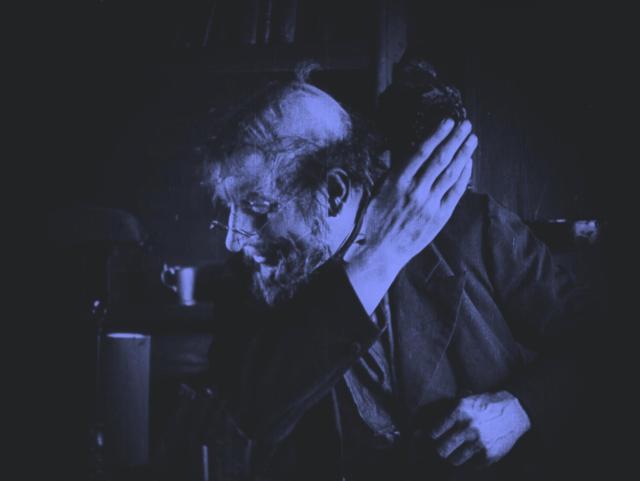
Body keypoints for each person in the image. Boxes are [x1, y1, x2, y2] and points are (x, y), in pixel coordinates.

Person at [155, 58, 585, 481]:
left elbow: (601, 344)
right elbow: (246, 416)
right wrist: (380, 257)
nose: (233, 240)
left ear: (334, 193)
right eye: (230, 209)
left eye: (256, 207)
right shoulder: (250, 276)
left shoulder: (475, 228)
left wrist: (522, 408)